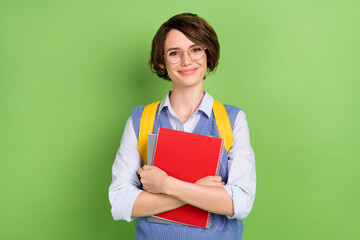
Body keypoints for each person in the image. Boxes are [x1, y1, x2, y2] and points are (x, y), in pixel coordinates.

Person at [109, 13, 256, 240]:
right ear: (161, 61)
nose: (187, 61)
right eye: (174, 53)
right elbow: (120, 203)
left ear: (208, 54)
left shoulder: (232, 120)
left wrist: (165, 184)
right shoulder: (140, 121)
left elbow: (240, 203)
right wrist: (199, 192)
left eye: (196, 49)